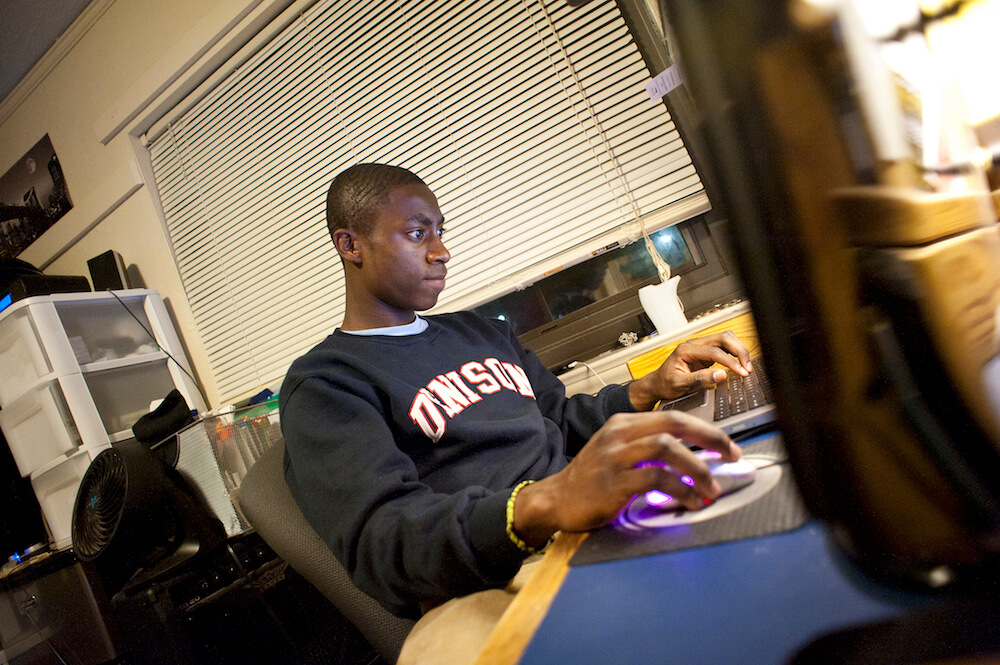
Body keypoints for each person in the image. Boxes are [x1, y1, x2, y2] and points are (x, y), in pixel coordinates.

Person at [279, 163, 753, 620]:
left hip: (594, 527)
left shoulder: (484, 333)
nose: (442, 251)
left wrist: (647, 388)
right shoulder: (326, 384)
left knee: (749, 527)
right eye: (418, 233)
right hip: (506, 576)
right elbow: (386, 544)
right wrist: (546, 501)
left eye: (441, 232)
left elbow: (560, 421)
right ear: (350, 245)